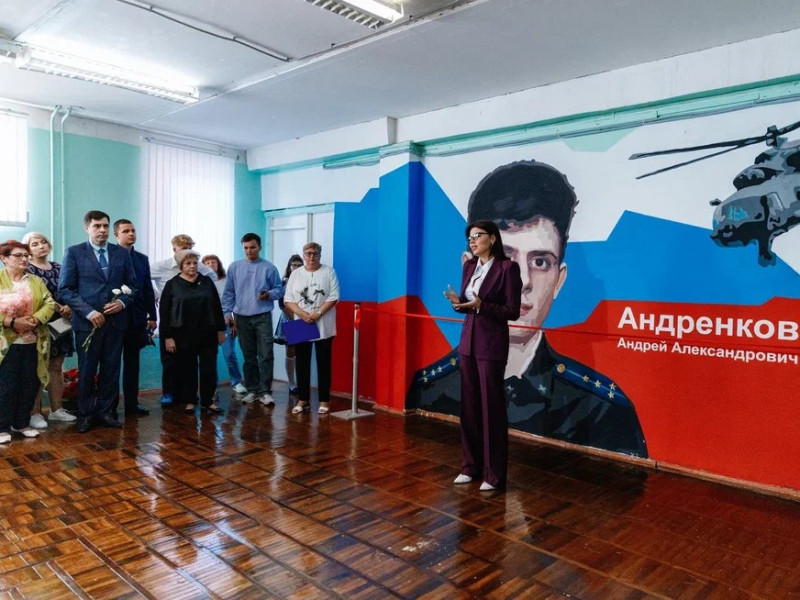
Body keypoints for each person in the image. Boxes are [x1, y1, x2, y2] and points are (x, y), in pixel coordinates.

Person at [408, 161, 648, 458]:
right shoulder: (429, 389)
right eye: (504, 258)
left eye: (540, 262)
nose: (521, 281)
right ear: (469, 268)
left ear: (559, 281)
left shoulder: (605, 410)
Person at [444, 221, 522, 491]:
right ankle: (470, 466)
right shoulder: (469, 266)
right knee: (469, 407)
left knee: (491, 409)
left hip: (491, 344)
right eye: (469, 238)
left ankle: (493, 474)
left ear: (493, 238)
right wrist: (459, 303)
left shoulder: (507, 268)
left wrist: (482, 305)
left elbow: (512, 311)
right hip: (468, 342)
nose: (472, 241)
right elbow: (468, 306)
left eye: (477, 236)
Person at [58, 210, 137, 433]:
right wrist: (89, 312)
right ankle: (85, 415)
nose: (102, 230)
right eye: (97, 226)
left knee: (111, 369)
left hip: (116, 323)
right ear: (87, 228)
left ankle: (105, 412)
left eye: (105, 226)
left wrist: (121, 302)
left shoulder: (121, 253)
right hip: (87, 324)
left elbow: (133, 286)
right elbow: (65, 289)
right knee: (87, 369)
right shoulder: (74, 252)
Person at [151, 234, 216, 406]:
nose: (187, 252)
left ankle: (191, 396)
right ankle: (169, 393)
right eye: (183, 249)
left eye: (189, 248)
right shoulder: (163, 267)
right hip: (171, 319)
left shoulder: (199, 268)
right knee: (170, 359)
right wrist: (157, 295)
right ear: (174, 250)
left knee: (191, 362)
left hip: (196, 323)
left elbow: (212, 279)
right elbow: (142, 278)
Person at [0, 240, 56, 442]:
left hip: (33, 340)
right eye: (18, 255)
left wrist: (35, 320)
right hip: (6, 344)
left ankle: (21, 423)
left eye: (26, 256)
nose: (24, 259)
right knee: (6, 386)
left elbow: (50, 303)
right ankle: (2, 427)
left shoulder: (35, 281)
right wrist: (11, 321)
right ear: (4, 258)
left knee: (29, 383)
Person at [159, 250, 225, 413]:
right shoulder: (172, 284)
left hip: (207, 333)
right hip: (183, 335)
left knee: (209, 368)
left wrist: (220, 329)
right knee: (187, 369)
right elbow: (164, 312)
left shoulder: (207, 282)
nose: (192, 266)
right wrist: (168, 337)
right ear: (181, 266)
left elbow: (216, 306)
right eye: (188, 263)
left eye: (195, 263)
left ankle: (208, 401)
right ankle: (190, 400)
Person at [221, 233, 283, 407]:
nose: (249, 251)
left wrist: (268, 294)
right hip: (241, 318)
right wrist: (227, 313)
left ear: (259, 247)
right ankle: (253, 390)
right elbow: (229, 293)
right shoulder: (234, 267)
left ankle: (265, 392)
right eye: (246, 248)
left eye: (253, 247)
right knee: (249, 356)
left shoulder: (269, 268)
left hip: (262, 317)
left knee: (266, 354)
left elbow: (279, 290)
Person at [22, 231, 77, 426]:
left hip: (62, 322)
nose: (41, 246)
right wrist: (58, 307)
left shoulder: (59, 267)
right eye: (35, 244)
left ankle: (57, 410)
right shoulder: (27, 270)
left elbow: (71, 289)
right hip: (40, 323)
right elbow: (33, 296)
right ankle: (35, 413)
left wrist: (69, 306)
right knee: (38, 368)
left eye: (43, 242)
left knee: (56, 366)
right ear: (28, 250)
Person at [284, 243, 340, 415]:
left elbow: (334, 296)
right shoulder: (296, 274)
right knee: (302, 363)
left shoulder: (329, 272)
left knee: (324, 363)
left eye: (315, 253)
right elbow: (288, 299)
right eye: (308, 253)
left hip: (324, 323)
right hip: (301, 323)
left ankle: (324, 400)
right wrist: (303, 314)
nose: (311, 256)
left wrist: (317, 314)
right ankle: (303, 399)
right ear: (304, 255)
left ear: (320, 255)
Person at [113, 219, 156, 416]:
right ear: (116, 235)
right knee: (111, 364)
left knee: (132, 364)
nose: (131, 234)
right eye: (126, 231)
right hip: (115, 317)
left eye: (133, 230)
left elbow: (147, 288)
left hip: (137, 319)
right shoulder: (109, 255)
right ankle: (109, 406)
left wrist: (152, 315)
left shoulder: (141, 259)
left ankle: (132, 404)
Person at [202, 254, 246, 395]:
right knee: (210, 356)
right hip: (208, 324)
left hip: (227, 322)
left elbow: (237, 302)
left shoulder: (227, 280)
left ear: (218, 264)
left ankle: (236, 381)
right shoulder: (201, 282)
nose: (211, 265)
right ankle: (212, 384)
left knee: (229, 354)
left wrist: (235, 323)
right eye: (207, 263)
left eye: (213, 262)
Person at [274, 254, 303, 394]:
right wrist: (296, 317)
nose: (296, 267)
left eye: (299, 265)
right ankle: (292, 383)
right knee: (291, 350)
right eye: (294, 265)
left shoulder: (306, 280)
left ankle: (302, 382)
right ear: (289, 267)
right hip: (290, 318)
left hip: (304, 318)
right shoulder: (284, 282)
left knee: (303, 351)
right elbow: (282, 304)